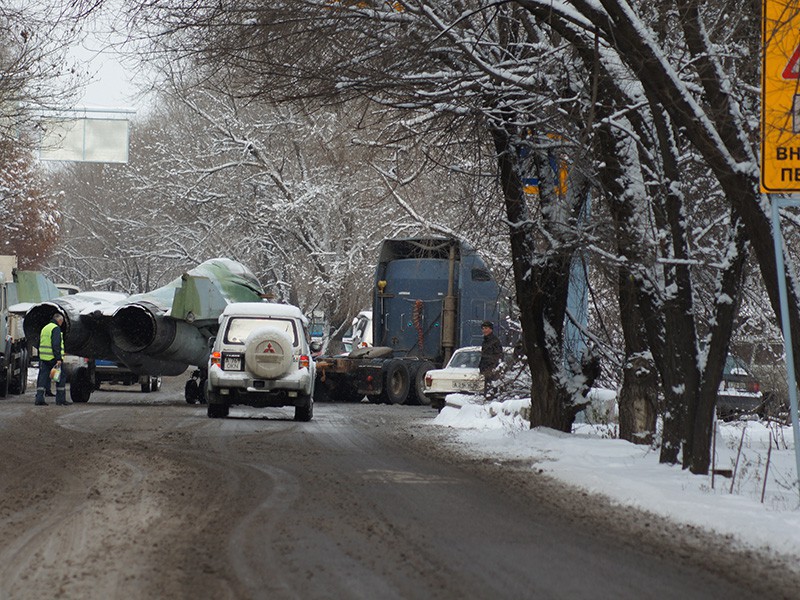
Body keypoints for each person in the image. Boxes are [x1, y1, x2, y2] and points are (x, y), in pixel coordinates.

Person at [34, 313, 69, 406]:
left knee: (43, 378)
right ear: (59, 321)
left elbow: (39, 343)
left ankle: (39, 399)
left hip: (44, 358)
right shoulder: (56, 329)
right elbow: (56, 344)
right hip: (53, 358)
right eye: (62, 321)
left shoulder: (45, 328)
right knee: (60, 377)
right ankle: (60, 400)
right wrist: (58, 358)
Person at [479, 320, 503, 400]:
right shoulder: (485, 341)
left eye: (486, 328)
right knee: (487, 389)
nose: (484, 330)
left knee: (491, 390)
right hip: (486, 369)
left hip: (491, 369)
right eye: (483, 328)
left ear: (491, 329)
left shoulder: (494, 341)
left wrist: (492, 367)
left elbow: (498, 355)